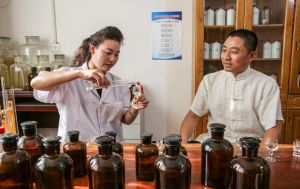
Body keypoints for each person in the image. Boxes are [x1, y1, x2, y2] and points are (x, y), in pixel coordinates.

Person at [31, 26, 149, 142]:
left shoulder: (118, 84)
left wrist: (134, 108)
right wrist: (79, 74)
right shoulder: (69, 77)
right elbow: (36, 82)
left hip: (110, 149)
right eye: (108, 53)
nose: (112, 59)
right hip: (77, 148)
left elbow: (126, 120)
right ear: (92, 49)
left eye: (116, 54)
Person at [180, 29, 283, 144]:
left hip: (250, 145)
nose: (226, 57)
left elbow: (274, 128)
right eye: (224, 50)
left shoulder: (266, 84)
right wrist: (183, 141)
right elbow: (193, 115)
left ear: (252, 55)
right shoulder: (209, 80)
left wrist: (259, 154)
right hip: (214, 141)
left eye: (234, 52)